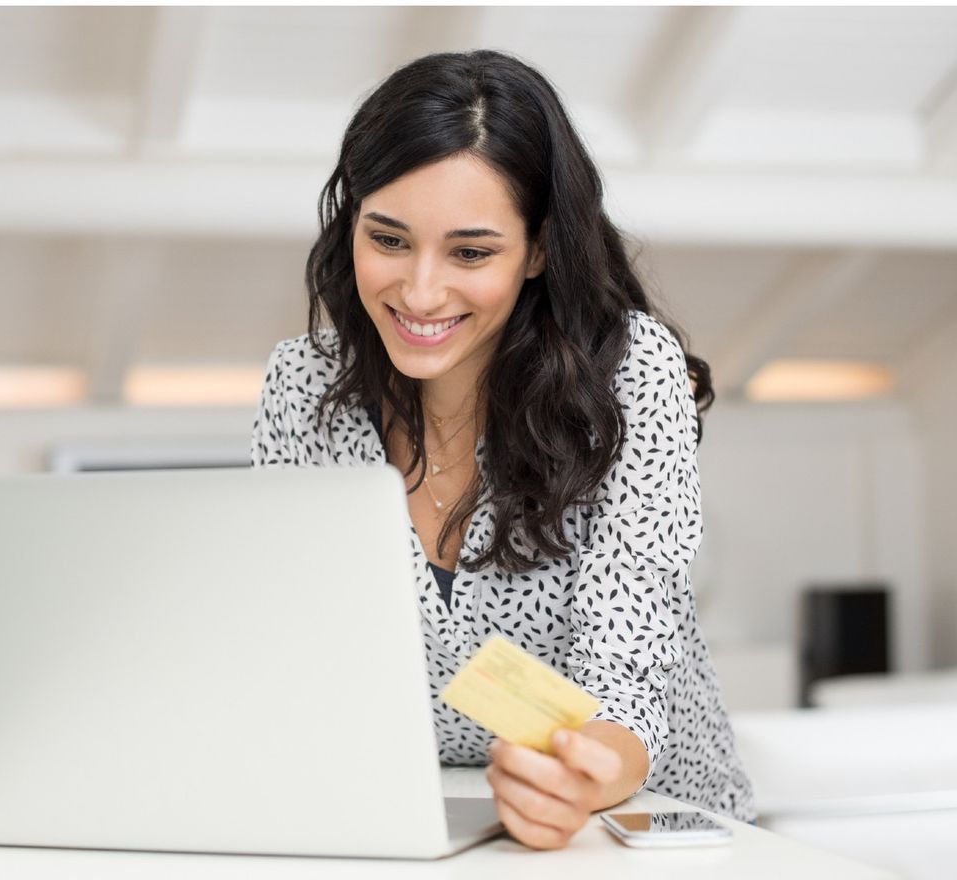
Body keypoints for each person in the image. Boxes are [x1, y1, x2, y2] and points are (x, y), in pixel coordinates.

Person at [249, 49, 756, 849]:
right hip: (416, 821)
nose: (419, 292)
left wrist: (584, 775)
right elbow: (298, 647)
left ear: (541, 249)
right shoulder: (302, 389)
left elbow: (626, 663)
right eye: (388, 239)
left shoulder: (630, 378)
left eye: (471, 252)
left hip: (646, 823)